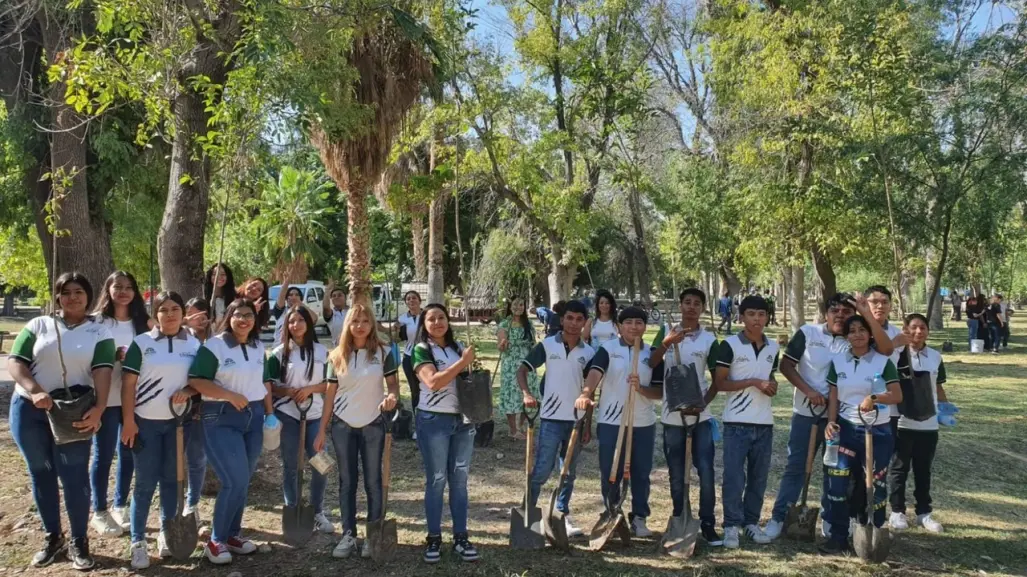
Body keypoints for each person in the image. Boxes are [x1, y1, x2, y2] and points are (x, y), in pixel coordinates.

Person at [8, 272, 114, 570]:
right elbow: (16, 362)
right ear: (57, 296)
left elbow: (103, 370)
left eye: (78, 291)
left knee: (74, 476)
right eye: (65, 292)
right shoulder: (39, 325)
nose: (72, 297)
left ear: (89, 296)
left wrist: (100, 408)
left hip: (74, 412)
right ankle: (53, 537)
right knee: (41, 472)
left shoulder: (99, 332)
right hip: (30, 409)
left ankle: (80, 541)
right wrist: (36, 391)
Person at [187, 298, 272, 564]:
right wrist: (228, 394)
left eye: (249, 315)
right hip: (220, 417)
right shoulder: (215, 346)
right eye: (238, 315)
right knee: (233, 480)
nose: (244, 320)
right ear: (229, 317)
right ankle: (216, 541)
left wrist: (269, 414)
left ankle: (233, 535)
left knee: (243, 480)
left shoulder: (259, 347)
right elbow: (196, 380)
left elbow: (265, 381)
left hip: (254, 417)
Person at [120, 291, 201, 569]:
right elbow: (128, 384)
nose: (170, 314)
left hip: (179, 424)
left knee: (172, 479)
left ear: (183, 313)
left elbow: (201, 380)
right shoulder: (141, 343)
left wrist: (187, 390)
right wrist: (128, 421)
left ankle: (168, 533)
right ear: (155, 314)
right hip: (145, 424)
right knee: (144, 482)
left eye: (175, 308)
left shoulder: (193, 343)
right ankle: (138, 541)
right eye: (163, 309)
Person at [316, 303, 400, 558]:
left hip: (374, 424)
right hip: (343, 425)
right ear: (347, 325)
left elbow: (394, 386)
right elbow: (329, 397)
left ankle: (373, 535)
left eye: (365, 321)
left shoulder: (384, 353)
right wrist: (321, 430)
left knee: (374, 481)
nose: (360, 326)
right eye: (355, 321)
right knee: (347, 481)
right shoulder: (336, 356)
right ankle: (348, 535)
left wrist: (392, 398)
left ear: (372, 324)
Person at [576, 306, 664, 538]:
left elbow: (660, 392)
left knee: (641, 472)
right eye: (628, 322)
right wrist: (586, 392)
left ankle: (640, 517)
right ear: (620, 326)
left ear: (645, 326)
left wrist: (641, 388)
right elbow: (595, 372)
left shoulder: (652, 354)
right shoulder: (608, 349)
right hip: (611, 420)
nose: (634, 327)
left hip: (643, 422)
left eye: (639, 322)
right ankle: (612, 513)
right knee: (610, 470)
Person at [820, 315, 902, 555]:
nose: (857, 334)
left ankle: (872, 534)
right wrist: (831, 422)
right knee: (837, 483)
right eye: (852, 331)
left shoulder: (882, 362)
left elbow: (897, 395)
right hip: (844, 430)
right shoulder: (838, 362)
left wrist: (874, 398)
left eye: (862, 330)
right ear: (846, 336)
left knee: (874, 485)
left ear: (870, 334)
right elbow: (834, 395)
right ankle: (838, 536)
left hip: (877, 431)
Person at [649, 288, 722, 546]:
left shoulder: (709, 340)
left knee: (705, 470)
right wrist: (668, 342)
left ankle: (708, 523)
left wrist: (703, 403)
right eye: (687, 302)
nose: (691, 307)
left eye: (697, 303)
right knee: (677, 472)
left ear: (702, 308)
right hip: (672, 415)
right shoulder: (667, 330)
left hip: (700, 416)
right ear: (680, 305)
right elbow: (651, 361)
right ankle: (680, 516)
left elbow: (717, 380)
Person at [518, 300, 594, 538]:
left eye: (579, 319)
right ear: (562, 320)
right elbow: (523, 369)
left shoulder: (589, 353)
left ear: (584, 323)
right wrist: (527, 394)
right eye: (569, 318)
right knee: (541, 470)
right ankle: (527, 513)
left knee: (568, 472)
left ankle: (561, 515)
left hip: (576, 421)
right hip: (551, 419)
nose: (573, 323)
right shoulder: (548, 345)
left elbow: (590, 391)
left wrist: (587, 424)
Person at [410, 304, 479, 563]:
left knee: (459, 482)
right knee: (437, 480)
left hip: (463, 421)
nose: (437, 322)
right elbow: (433, 382)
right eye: (431, 319)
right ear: (423, 324)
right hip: (434, 422)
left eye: (441, 317)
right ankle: (434, 538)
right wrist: (463, 363)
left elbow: (469, 378)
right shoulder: (421, 350)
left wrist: (469, 363)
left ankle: (461, 536)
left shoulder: (457, 346)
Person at [89, 271, 152, 536]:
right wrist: (111, 355)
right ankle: (99, 510)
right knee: (103, 455)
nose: (124, 291)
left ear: (136, 291)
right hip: (103, 400)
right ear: (109, 289)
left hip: (134, 399)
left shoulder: (144, 323)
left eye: (129, 287)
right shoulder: (96, 322)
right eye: (118, 287)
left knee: (128, 453)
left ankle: (120, 505)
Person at [714, 295, 779, 549]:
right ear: (741, 316)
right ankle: (731, 525)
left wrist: (770, 386)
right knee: (733, 477)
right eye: (751, 314)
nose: (756, 319)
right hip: (736, 423)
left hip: (764, 422)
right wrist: (753, 382)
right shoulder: (729, 345)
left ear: (766, 317)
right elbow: (720, 384)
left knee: (759, 477)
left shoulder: (773, 347)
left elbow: (769, 377)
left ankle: (751, 523)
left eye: (761, 314)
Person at [266, 307, 334, 536]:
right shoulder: (278, 353)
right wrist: (287, 391)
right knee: (291, 465)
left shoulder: (322, 351)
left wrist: (309, 390)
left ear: (309, 323)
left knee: (321, 464)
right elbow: (270, 385)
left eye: (300, 320)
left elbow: (330, 383)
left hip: (314, 414)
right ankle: (292, 508)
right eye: (291, 321)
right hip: (288, 415)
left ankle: (317, 511)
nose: (296, 324)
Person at [888, 313, 947, 534]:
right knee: (899, 468)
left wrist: (945, 408)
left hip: (929, 424)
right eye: (913, 327)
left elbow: (938, 387)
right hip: (903, 421)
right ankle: (897, 511)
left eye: (923, 328)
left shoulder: (935, 356)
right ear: (905, 329)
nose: (918, 332)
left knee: (923, 470)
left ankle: (924, 512)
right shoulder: (897, 356)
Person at [183, 298, 212, 520]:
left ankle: (192, 504)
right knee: (173, 458)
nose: (199, 319)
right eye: (193, 314)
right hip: (176, 406)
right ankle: (173, 504)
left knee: (197, 457)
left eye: (203, 314)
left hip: (203, 408)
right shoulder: (180, 338)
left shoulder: (216, 341)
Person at [497, 297, 539, 439]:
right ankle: (513, 429)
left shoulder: (528, 324)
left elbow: (533, 342)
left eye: (521, 304)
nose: (518, 307)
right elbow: (501, 345)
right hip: (511, 364)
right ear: (510, 306)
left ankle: (521, 425)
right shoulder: (505, 324)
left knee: (527, 393)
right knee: (512, 394)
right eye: (515, 304)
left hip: (527, 362)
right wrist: (503, 344)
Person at [864, 286, 902, 435]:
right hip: (856, 405)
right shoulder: (855, 330)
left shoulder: (897, 333)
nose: (880, 306)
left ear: (890, 306)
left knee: (883, 453)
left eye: (885, 302)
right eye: (874, 302)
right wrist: (894, 344)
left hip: (888, 408)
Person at [395, 291, 423, 438]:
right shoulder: (402, 319)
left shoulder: (427, 315)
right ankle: (418, 426)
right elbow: (397, 337)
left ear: (420, 300)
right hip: (409, 357)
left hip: (426, 357)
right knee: (415, 391)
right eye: (408, 299)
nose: (411, 300)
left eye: (414, 298)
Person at [272, 278, 319, 345]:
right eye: (290, 295)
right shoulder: (281, 311)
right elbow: (281, 296)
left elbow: (314, 319)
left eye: (297, 295)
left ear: (301, 298)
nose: (294, 297)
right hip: (281, 346)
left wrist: (299, 303)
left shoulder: (304, 312)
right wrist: (286, 283)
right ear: (286, 298)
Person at [321, 281, 349, 347]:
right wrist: (327, 291)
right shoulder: (332, 314)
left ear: (345, 298)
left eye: (340, 295)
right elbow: (325, 307)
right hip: (338, 348)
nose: (336, 297)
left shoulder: (352, 311)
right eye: (334, 296)